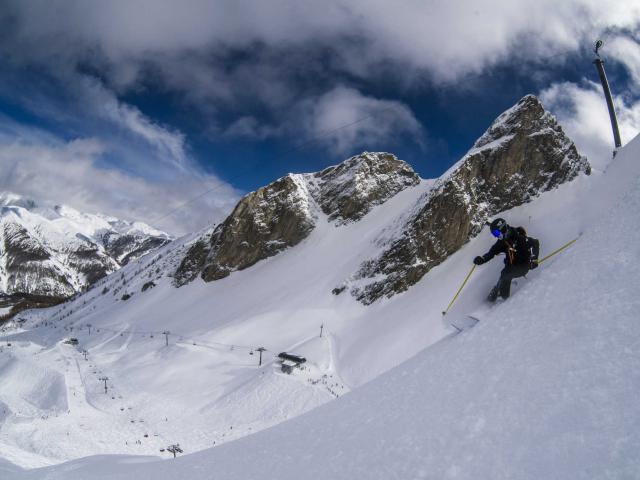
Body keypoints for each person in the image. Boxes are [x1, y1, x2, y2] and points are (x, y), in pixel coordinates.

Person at [473, 218, 540, 301]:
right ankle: (497, 291)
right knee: (504, 274)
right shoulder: (502, 242)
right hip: (510, 266)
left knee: (506, 274)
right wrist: (482, 259)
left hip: (524, 265)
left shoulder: (519, 238)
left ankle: (503, 300)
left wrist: (534, 259)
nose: (496, 236)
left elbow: (535, 242)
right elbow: (492, 252)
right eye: (494, 234)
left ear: (503, 228)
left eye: (497, 233)